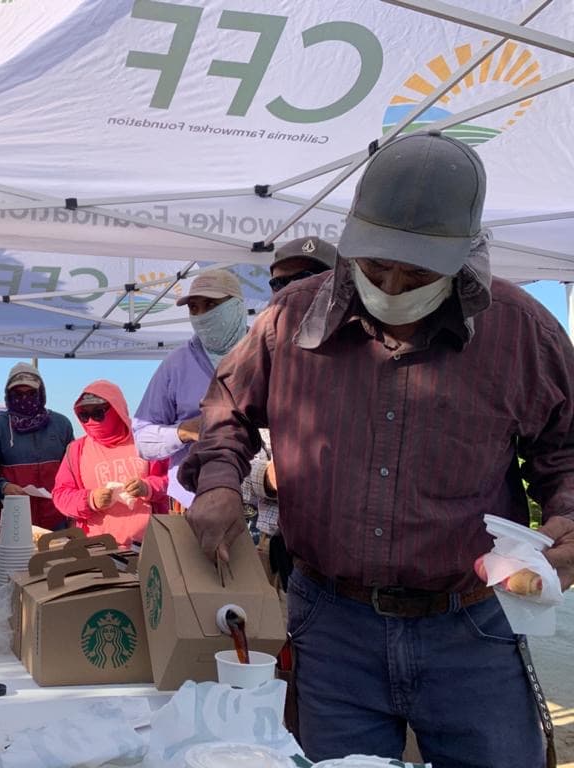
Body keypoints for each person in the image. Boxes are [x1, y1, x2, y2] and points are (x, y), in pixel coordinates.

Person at [179, 131, 574, 767]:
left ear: (466, 255)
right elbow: (227, 407)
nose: (391, 285)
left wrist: (568, 518)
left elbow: (567, 448)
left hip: (470, 626)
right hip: (332, 623)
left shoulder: (521, 331)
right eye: (374, 265)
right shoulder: (290, 319)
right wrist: (219, 482)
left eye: (418, 273)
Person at [243, 236, 337, 590]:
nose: (293, 291)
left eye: (308, 278)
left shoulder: (366, 356)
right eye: (279, 283)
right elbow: (234, 467)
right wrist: (267, 478)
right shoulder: (261, 364)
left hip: (345, 557)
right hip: (277, 550)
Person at [132, 268, 248, 509]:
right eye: (194, 307)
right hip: (194, 502)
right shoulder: (175, 364)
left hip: (266, 500)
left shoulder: (270, 354)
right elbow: (141, 439)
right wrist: (183, 432)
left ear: (237, 306)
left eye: (211, 304)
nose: (202, 315)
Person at [52, 381, 169, 547]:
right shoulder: (76, 450)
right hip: (97, 547)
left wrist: (148, 488)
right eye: (84, 415)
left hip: (149, 544)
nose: (91, 420)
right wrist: (90, 499)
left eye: (98, 413)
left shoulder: (146, 441)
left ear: (116, 409)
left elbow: (173, 481)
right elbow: (61, 495)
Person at [0, 363, 74, 530]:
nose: (25, 398)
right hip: (13, 522)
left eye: (31, 393)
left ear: (41, 393)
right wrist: (3, 487)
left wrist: (73, 518)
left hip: (57, 521)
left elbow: (74, 475)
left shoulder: (61, 424)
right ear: (8, 394)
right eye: (18, 394)